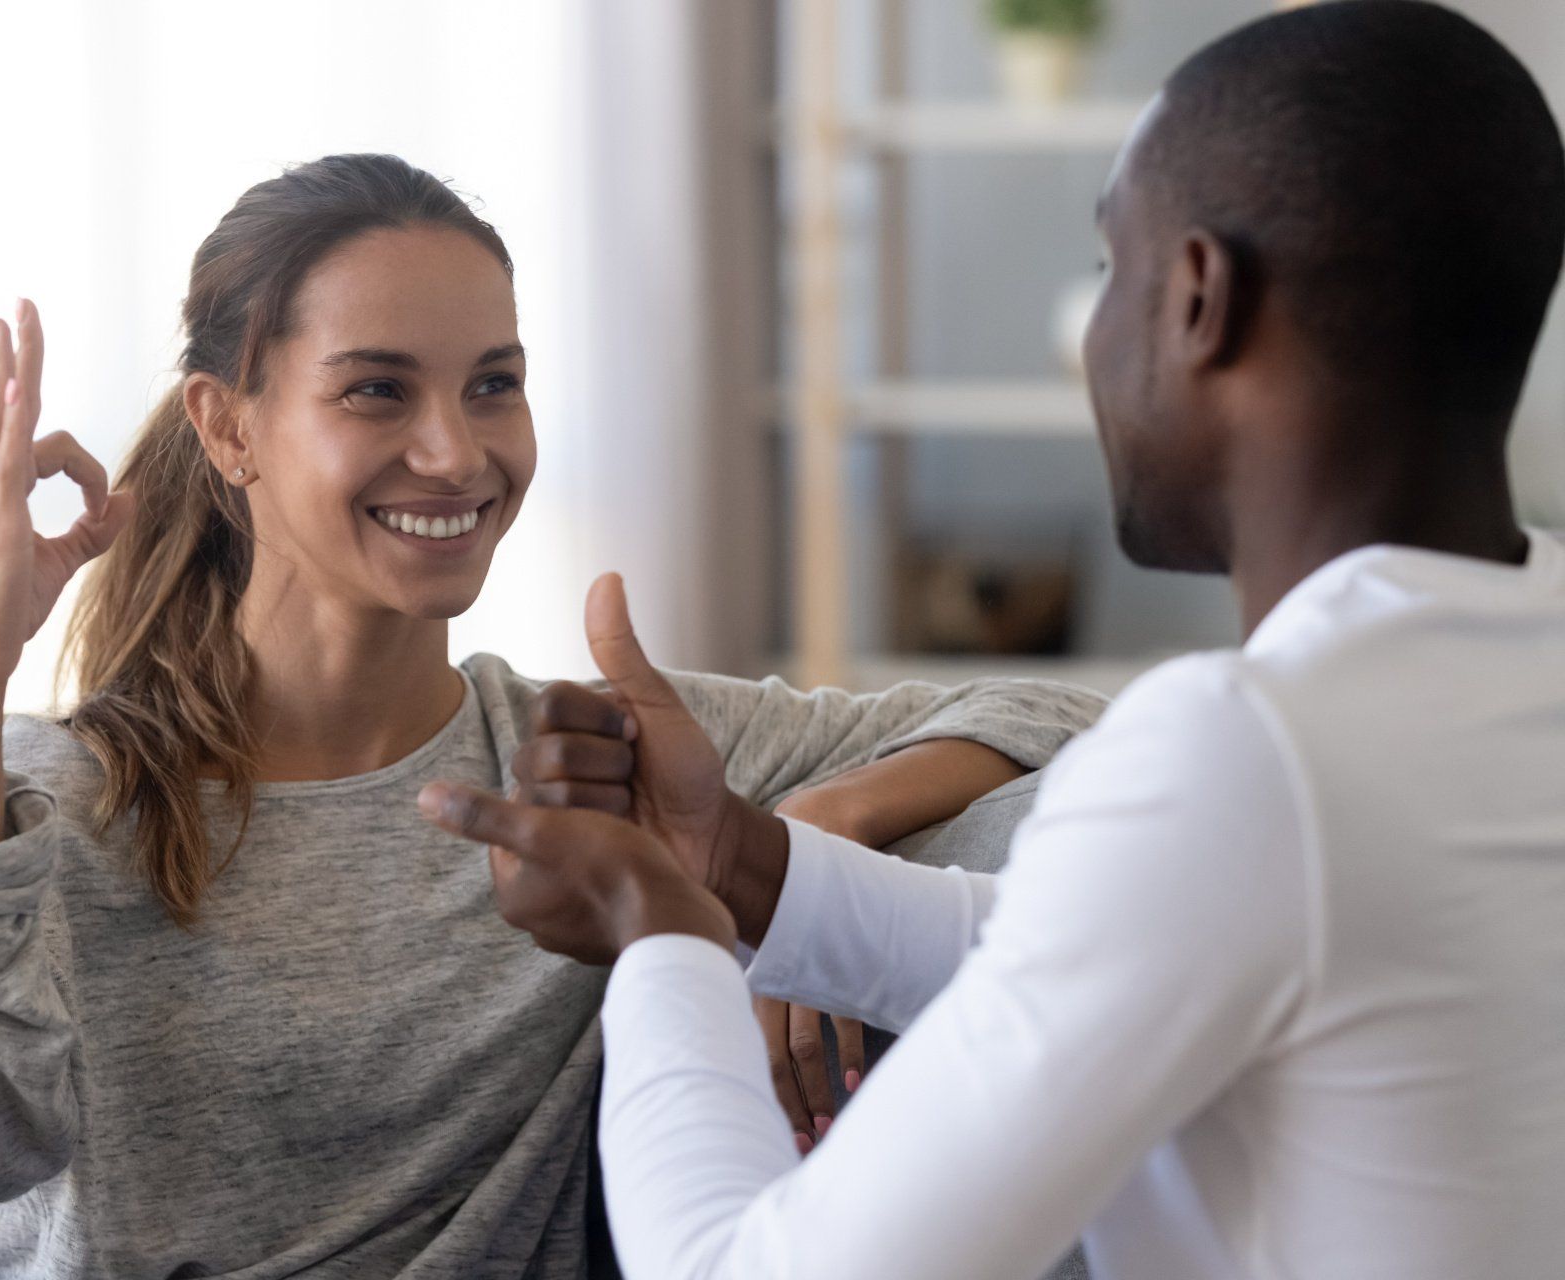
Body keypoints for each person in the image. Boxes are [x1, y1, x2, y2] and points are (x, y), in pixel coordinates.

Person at [418, 4, 1565, 1277]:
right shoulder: (1513, 657)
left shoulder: (1251, 750)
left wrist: (659, 927)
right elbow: (1084, 941)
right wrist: (736, 859)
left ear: (1198, 299)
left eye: (1108, 273)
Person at [0, 153, 1104, 1278]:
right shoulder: (67, 796)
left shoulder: (576, 763)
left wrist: (787, 850)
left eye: (493, 384)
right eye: (377, 391)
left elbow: (1052, 711)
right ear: (230, 427)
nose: (455, 451)